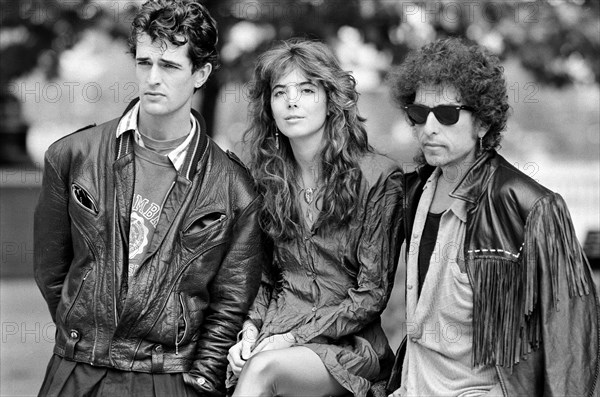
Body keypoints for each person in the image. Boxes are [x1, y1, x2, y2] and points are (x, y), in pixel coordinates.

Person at [33, 1, 265, 396]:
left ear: (201, 73)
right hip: (77, 368)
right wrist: (88, 335)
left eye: (170, 66)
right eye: (144, 63)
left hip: (168, 377)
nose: (153, 78)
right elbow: (51, 268)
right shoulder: (73, 156)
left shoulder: (233, 187)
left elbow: (230, 303)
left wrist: (201, 379)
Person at [386, 37, 599, 396]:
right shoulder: (411, 193)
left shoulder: (532, 208)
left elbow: (570, 345)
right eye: (419, 115)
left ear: (482, 123)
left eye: (448, 114)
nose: (430, 128)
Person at [225, 39, 404, 397]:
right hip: (274, 333)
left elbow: (372, 295)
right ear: (270, 107)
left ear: (330, 99)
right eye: (280, 92)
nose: (292, 101)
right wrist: (249, 332)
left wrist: (291, 339)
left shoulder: (378, 177)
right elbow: (263, 279)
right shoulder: (264, 181)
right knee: (243, 363)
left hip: (347, 342)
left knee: (263, 370)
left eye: (306, 90)